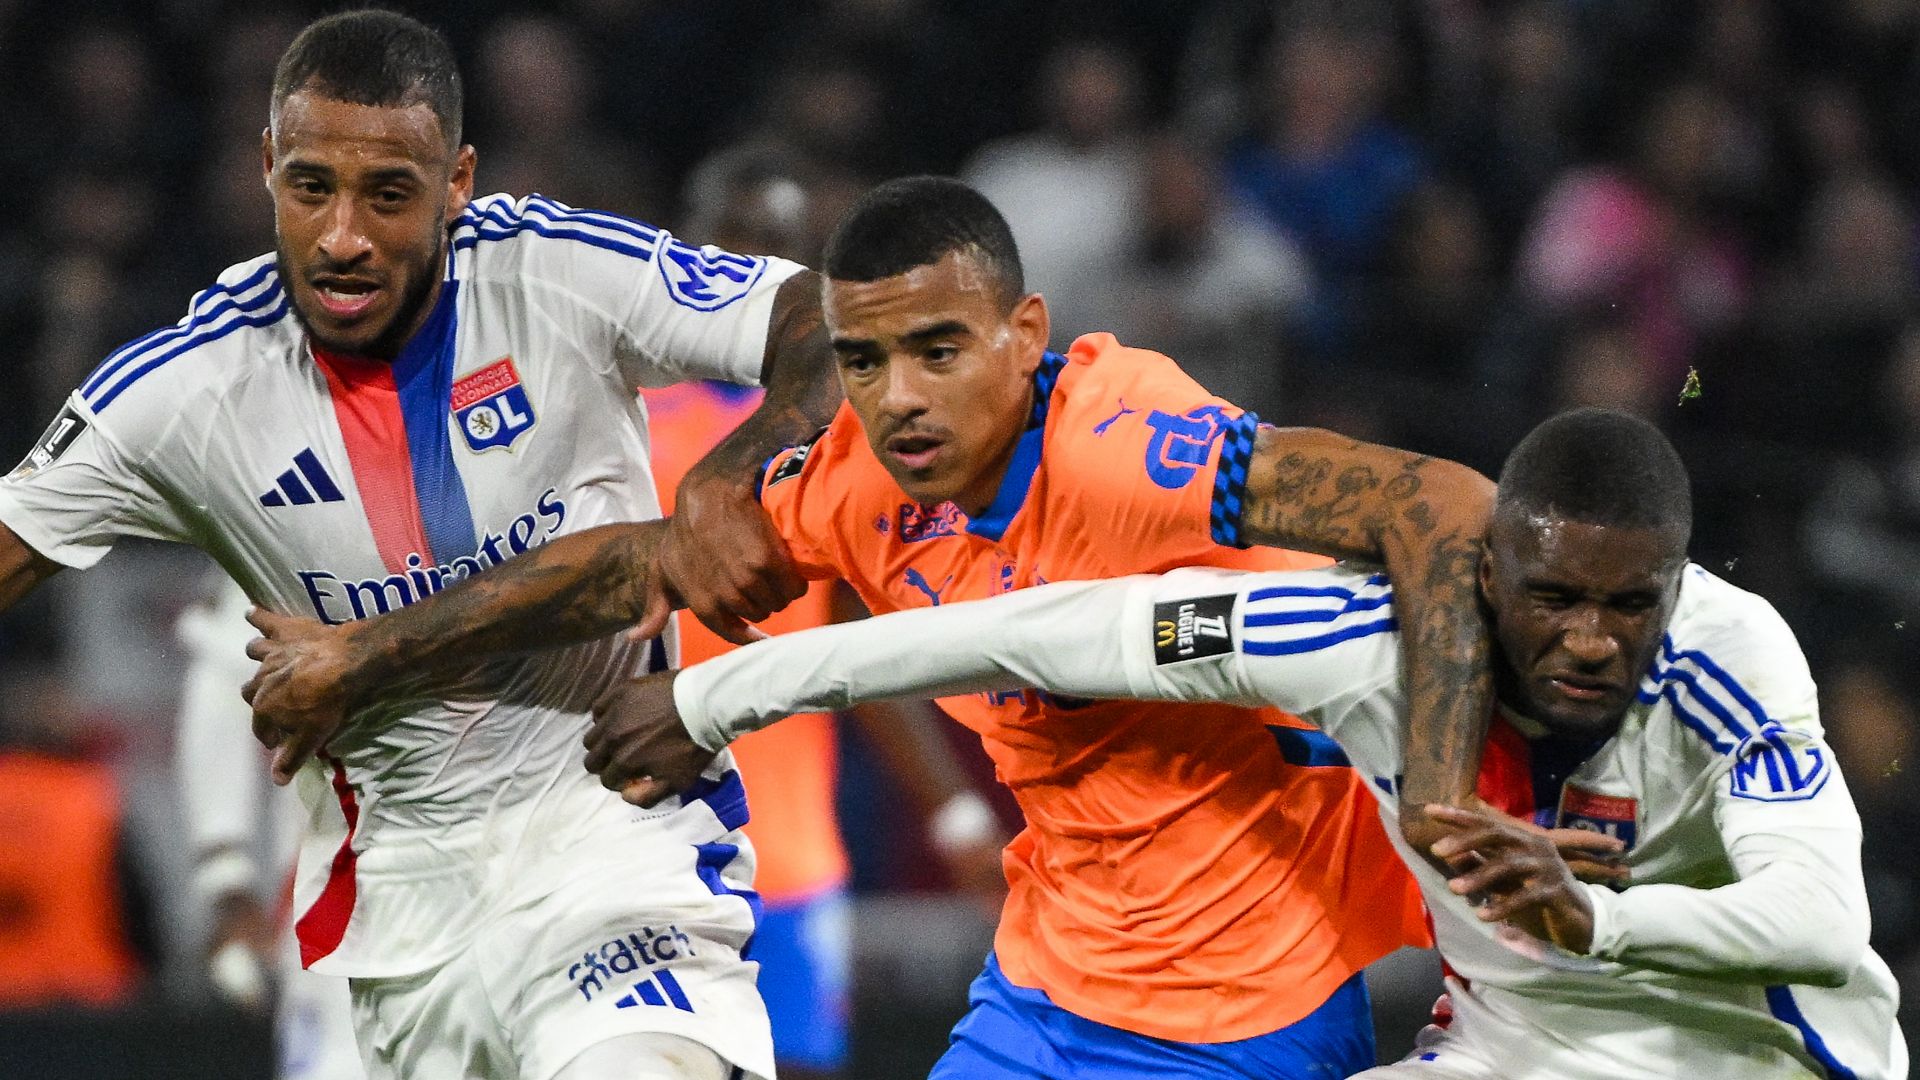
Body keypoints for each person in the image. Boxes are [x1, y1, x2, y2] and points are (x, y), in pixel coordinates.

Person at [244, 175, 1500, 1077]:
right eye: (862, 360)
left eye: (939, 351)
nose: (897, 400)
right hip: (1045, 984)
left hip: (1250, 999)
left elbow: (1443, 505)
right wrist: (363, 657)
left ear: (1026, 336)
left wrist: (1441, 804)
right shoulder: (858, 480)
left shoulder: (1130, 450)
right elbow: (635, 570)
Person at [0, 10, 844, 1079]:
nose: (343, 236)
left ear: (457, 181)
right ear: (267, 168)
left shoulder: (553, 272)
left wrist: (736, 464)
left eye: (389, 194)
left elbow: (819, 315)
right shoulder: (185, 392)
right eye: (310, 187)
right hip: (396, 930)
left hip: (614, 857)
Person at [604, 408, 1908, 1080]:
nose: (1590, 641)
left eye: (1631, 606)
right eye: (1554, 599)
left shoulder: (1733, 656)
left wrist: (1600, 922)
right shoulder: (1356, 639)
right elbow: (1040, 634)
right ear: (1482, 570)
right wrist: (723, 696)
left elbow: (1819, 914)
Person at [644, 377, 1006, 1079]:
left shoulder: (830, 440)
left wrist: (955, 815)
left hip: (790, 869)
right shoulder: (621, 420)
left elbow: (854, 648)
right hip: (643, 868)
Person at [175, 572, 363, 1080]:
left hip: (525, 854)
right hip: (344, 884)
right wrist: (226, 873)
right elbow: (222, 671)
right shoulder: (297, 508)